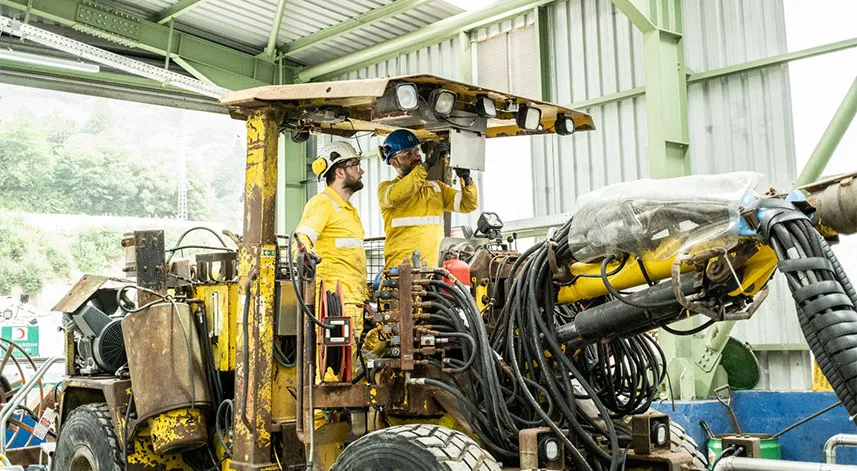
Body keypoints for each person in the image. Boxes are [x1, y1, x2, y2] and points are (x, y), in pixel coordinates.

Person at [293, 140, 367, 381]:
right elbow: (302, 236)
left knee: (348, 369)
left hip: (353, 301)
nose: (361, 170)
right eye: (355, 164)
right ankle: (321, 419)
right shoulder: (323, 202)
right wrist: (304, 251)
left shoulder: (348, 210)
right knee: (332, 371)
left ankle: (337, 418)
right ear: (339, 171)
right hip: (336, 302)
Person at [377, 129, 478, 271]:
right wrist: (427, 164)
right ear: (394, 163)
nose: (416, 156)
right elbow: (400, 194)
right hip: (402, 273)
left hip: (434, 272)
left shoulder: (436, 188)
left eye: (416, 151)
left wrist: (466, 180)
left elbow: (468, 205)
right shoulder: (386, 189)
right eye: (408, 153)